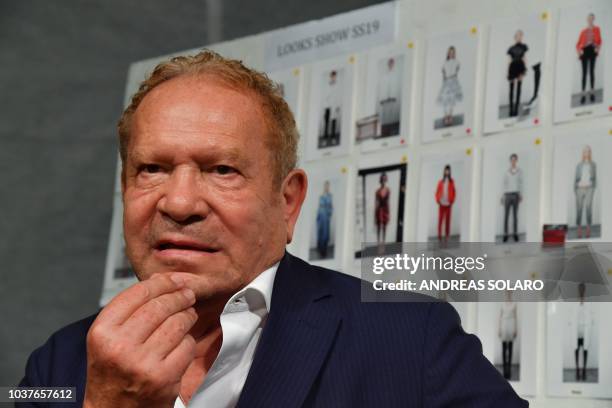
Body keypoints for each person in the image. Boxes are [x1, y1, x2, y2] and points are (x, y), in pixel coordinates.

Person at [19, 50, 527, 408]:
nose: (178, 202)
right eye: (151, 169)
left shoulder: (412, 339)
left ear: (288, 202)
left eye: (222, 170)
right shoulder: (58, 363)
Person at [576, 13, 602, 105]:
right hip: (585, 51)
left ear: (593, 19)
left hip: (592, 50)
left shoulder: (597, 29)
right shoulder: (583, 31)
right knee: (584, 73)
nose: (590, 20)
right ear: (587, 19)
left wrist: (597, 48)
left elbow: (599, 41)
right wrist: (580, 51)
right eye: (589, 18)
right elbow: (578, 44)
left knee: (591, 72)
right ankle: (583, 94)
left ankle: (592, 93)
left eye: (592, 18)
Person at [436, 46, 463, 127]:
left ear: (454, 53)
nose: (451, 54)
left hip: (454, 81)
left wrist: (454, 78)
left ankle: (450, 115)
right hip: (446, 81)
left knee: (452, 99)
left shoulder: (457, 61)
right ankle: (445, 115)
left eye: (453, 52)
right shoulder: (445, 62)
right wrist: (445, 81)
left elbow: (457, 70)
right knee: (445, 99)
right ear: (448, 53)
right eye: (450, 52)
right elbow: (443, 72)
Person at [574, 145, 597, 239]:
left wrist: (592, 186)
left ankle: (588, 229)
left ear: (590, 153)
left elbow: (594, 178)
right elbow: (575, 178)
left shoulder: (593, 164)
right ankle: (579, 229)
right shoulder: (579, 165)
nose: (586, 153)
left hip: (589, 189)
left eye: (588, 151)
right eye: (584, 151)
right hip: (579, 189)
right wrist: (576, 187)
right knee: (579, 208)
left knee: (588, 208)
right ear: (583, 153)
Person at [376, 57, 402, 137]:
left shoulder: (395, 73)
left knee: (391, 114)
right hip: (385, 98)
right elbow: (383, 85)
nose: (391, 65)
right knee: (384, 115)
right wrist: (382, 98)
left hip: (392, 97)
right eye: (390, 63)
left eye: (392, 63)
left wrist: (394, 96)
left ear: (394, 64)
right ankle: (383, 132)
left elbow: (395, 85)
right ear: (388, 64)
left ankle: (390, 133)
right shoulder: (384, 73)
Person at [501, 153, 523, 243]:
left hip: (516, 195)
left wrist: (521, 194)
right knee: (506, 216)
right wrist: (502, 196)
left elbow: (520, 183)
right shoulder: (506, 171)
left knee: (515, 216)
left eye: (515, 159)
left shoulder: (519, 171)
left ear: (516, 160)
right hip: (507, 195)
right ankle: (505, 234)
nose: (513, 161)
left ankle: (515, 234)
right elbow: (504, 184)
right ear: (510, 161)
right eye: (512, 159)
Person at [506, 30, 528, 118]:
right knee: (511, 89)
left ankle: (516, 109)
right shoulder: (511, 48)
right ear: (515, 37)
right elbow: (509, 60)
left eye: (521, 36)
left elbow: (524, 58)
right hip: (512, 67)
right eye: (518, 36)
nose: (519, 37)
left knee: (519, 88)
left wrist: (525, 69)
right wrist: (507, 72)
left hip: (520, 67)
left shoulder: (524, 47)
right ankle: (511, 109)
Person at [574, 282, 592, 381]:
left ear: (584, 290)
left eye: (582, 289)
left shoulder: (587, 302)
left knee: (585, 350)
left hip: (585, 330)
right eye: (580, 289)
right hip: (577, 331)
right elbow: (572, 316)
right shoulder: (575, 302)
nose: (581, 291)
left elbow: (589, 315)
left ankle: (584, 369)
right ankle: (577, 368)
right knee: (576, 349)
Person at [498, 292, 518, 380]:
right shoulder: (502, 304)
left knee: (510, 349)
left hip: (511, 324)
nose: (508, 294)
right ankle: (504, 369)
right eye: (507, 292)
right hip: (504, 325)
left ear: (512, 293)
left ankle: (508, 369)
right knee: (503, 349)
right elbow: (500, 317)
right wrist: (499, 329)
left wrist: (515, 329)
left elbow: (515, 316)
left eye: (510, 292)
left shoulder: (514, 304)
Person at [434, 164, 456, 243]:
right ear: (444, 171)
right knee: (440, 221)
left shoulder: (451, 181)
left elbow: (454, 192)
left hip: (448, 204)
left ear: (450, 171)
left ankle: (447, 236)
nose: (447, 171)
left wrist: (452, 200)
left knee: (447, 221)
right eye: (446, 170)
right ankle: (439, 236)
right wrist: (438, 200)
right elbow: (436, 192)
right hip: (441, 204)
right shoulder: (440, 182)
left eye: (448, 170)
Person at [320, 70, 341, 147]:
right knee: (326, 123)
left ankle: (333, 138)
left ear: (336, 76)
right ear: (330, 76)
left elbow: (338, 96)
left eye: (334, 76)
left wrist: (337, 106)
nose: (333, 77)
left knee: (333, 123)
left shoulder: (338, 85)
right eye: (332, 76)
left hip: (334, 106)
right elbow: (324, 97)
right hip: (327, 106)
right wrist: (324, 107)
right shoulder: (327, 85)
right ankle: (325, 139)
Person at [315, 180, 333, 259]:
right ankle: (320, 250)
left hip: (326, 217)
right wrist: (318, 217)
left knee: (325, 235)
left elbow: (330, 207)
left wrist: (329, 214)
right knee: (320, 233)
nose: (327, 187)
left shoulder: (330, 196)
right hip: (320, 216)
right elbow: (319, 206)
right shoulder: (321, 195)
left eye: (328, 186)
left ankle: (324, 251)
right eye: (326, 185)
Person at [374, 172, 390, 249]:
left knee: (384, 226)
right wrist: (375, 214)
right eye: (382, 179)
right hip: (379, 209)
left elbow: (388, 201)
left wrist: (389, 213)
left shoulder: (388, 190)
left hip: (385, 209)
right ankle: (378, 242)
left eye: (384, 179)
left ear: (386, 180)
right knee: (378, 226)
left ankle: (383, 242)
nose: (383, 180)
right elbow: (376, 202)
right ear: (380, 180)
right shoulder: (377, 191)